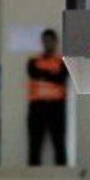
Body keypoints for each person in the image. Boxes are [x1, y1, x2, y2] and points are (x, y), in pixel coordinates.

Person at [27, 29, 68, 166]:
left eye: (50, 41)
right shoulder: (33, 61)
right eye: (45, 41)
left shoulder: (63, 61)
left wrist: (44, 75)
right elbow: (33, 73)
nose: (48, 44)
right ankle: (32, 173)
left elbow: (60, 78)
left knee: (59, 141)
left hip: (56, 106)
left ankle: (62, 172)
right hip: (37, 106)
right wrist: (51, 74)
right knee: (35, 142)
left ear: (55, 42)